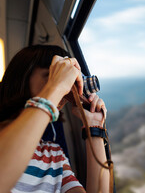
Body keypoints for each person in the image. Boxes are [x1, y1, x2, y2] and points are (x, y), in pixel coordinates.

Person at [0, 44, 109, 193]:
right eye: (53, 75)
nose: (64, 88)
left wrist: (94, 127)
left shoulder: (54, 154)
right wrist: (56, 87)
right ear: (22, 78)